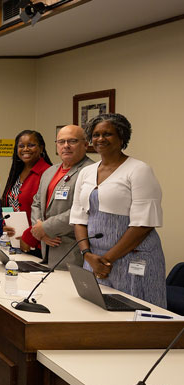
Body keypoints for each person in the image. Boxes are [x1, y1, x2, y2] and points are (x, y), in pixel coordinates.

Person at [70, 113, 166, 307]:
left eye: (108, 134)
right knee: (96, 310)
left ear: (122, 137)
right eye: (96, 134)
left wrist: (106, 260)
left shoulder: (139, 170)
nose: (100, 139)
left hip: (133, 258)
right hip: (94, 259)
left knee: (136, 314)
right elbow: (79, 216)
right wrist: (87, 254)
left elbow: (143, 224)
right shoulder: (86, 172)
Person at [21, 125, 94, 269]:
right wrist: (40, 232)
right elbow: (36, 203)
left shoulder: (91, 171)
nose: (66, 146)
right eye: (61, 142)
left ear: (85, 145)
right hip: (46, 249)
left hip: (71, 250)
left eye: (72, 141)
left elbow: (83, 210)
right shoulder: (50, 171)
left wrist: (46, 228)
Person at [1, 130, 52, 254]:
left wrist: (29, 238)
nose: (25, 149)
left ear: (41, 148)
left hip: (35, 244)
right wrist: (5, 224)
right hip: (14, 240)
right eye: (21, 146)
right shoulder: (17, 172)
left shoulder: (47, 173)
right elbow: (9, 203)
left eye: (31, 145)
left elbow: (46, 213)